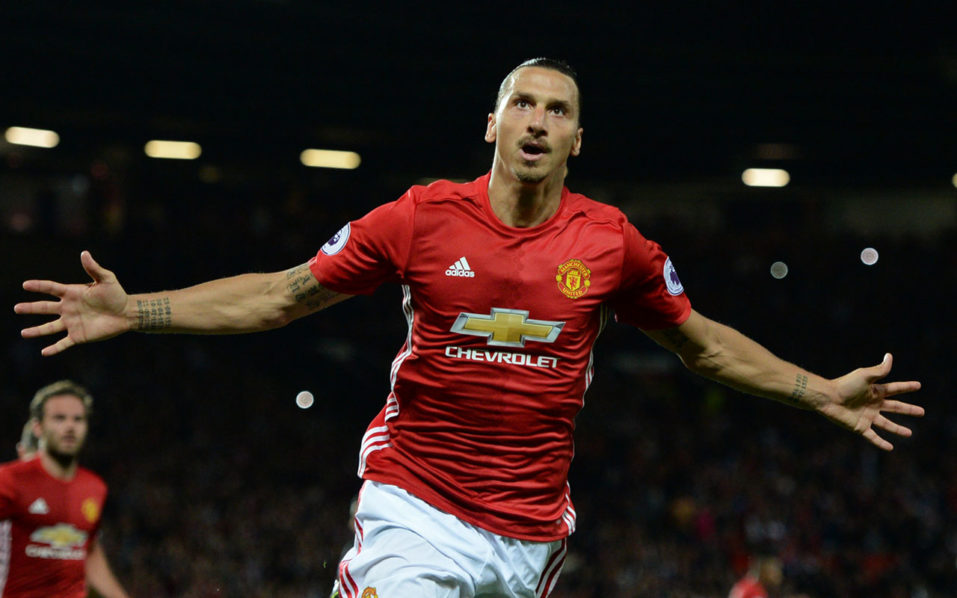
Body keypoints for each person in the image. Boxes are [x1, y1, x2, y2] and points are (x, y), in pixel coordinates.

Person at [13, 57, 923, 597]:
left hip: (530, 537)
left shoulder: (612, 244)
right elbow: (283, 294)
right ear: (491, 122)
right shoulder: (418, 218)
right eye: (522, 103)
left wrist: (818, 392)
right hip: (414, 502)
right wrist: (139, 310)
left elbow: (703, 344)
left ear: (577, 140)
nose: (537, 120)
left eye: (557, 110)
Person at [0, 380, 130, 598]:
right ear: (38, 427)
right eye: (59, 418)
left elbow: (88, 549)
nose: (70, 426)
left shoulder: (94, 487)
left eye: (78, 419)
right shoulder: (10, 480)